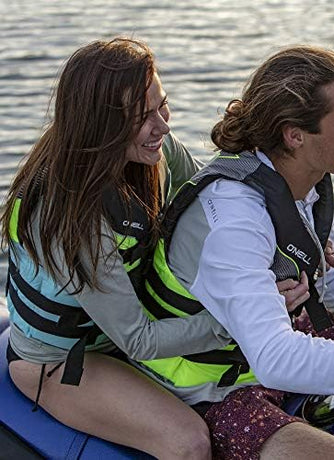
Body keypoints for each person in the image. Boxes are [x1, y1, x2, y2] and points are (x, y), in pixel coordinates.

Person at [133, 45, 334, 460]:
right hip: (213, 387)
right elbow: (275, 358)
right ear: (295, 135)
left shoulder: (301, 180)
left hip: (259, 353)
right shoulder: (235, 219)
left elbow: (328, 274)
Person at [1, 37, 252, 459]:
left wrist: (287, 245)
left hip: (121, 329)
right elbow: (138, 339)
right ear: (100, 127)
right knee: (188, 443)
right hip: (64, 359)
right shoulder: (70, 218)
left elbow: (216, 206)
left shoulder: (157, 151)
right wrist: (238, 322)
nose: (163, 126)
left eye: (162, 105)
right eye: (141, 118)